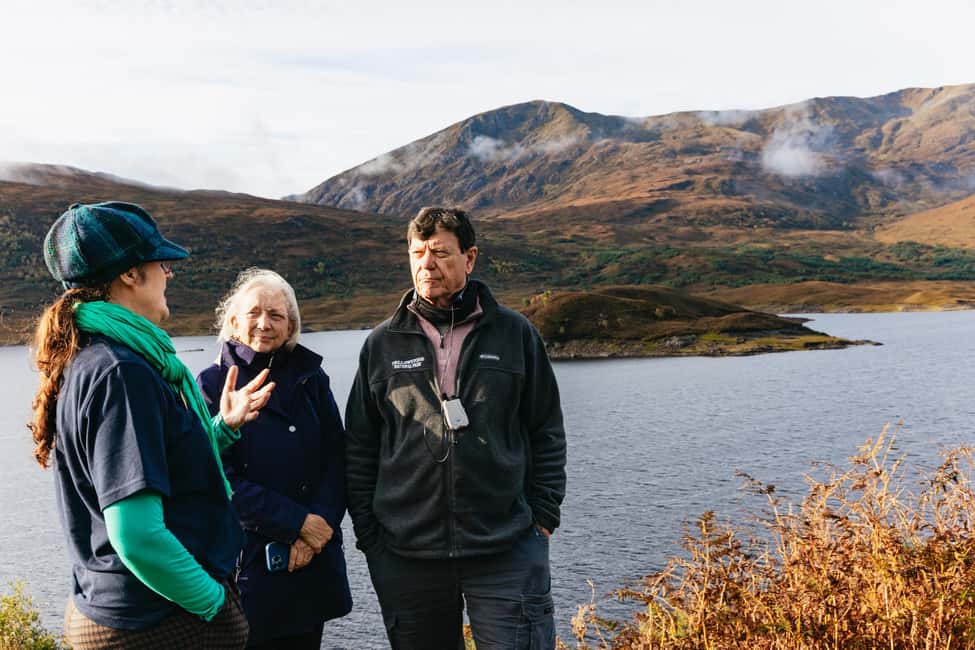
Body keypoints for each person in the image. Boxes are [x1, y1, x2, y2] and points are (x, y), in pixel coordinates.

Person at [29, 201, 274, 649]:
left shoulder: (95, 357)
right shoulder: (122, 373)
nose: (170, 274)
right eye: (161, 263)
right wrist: (214, 604)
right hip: (155, 621)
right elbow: (137, 536)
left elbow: (159, 464)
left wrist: (220, 429)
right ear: (129, 275)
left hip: (119, 611)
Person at [345, 206, 567, 649]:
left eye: (441, 253)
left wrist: (542, 515)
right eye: (418, 253)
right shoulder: (381, 344)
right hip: (407, 555)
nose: (427, 264)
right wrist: (370, 535)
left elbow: (546, 429)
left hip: (506, 549)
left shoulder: (514, 334)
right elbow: (360, 445)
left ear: (470, 257)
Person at [196, 268, 352, 649]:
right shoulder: (212, 385)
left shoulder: (310, 377)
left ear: (291, 326)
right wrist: (297, 523)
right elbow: (217, 478)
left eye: (277, 316)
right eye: (254, 313)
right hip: (250, 567)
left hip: (309, 562)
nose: (264, 324)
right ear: (233, 320)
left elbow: (337, 457)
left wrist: (318, 530)